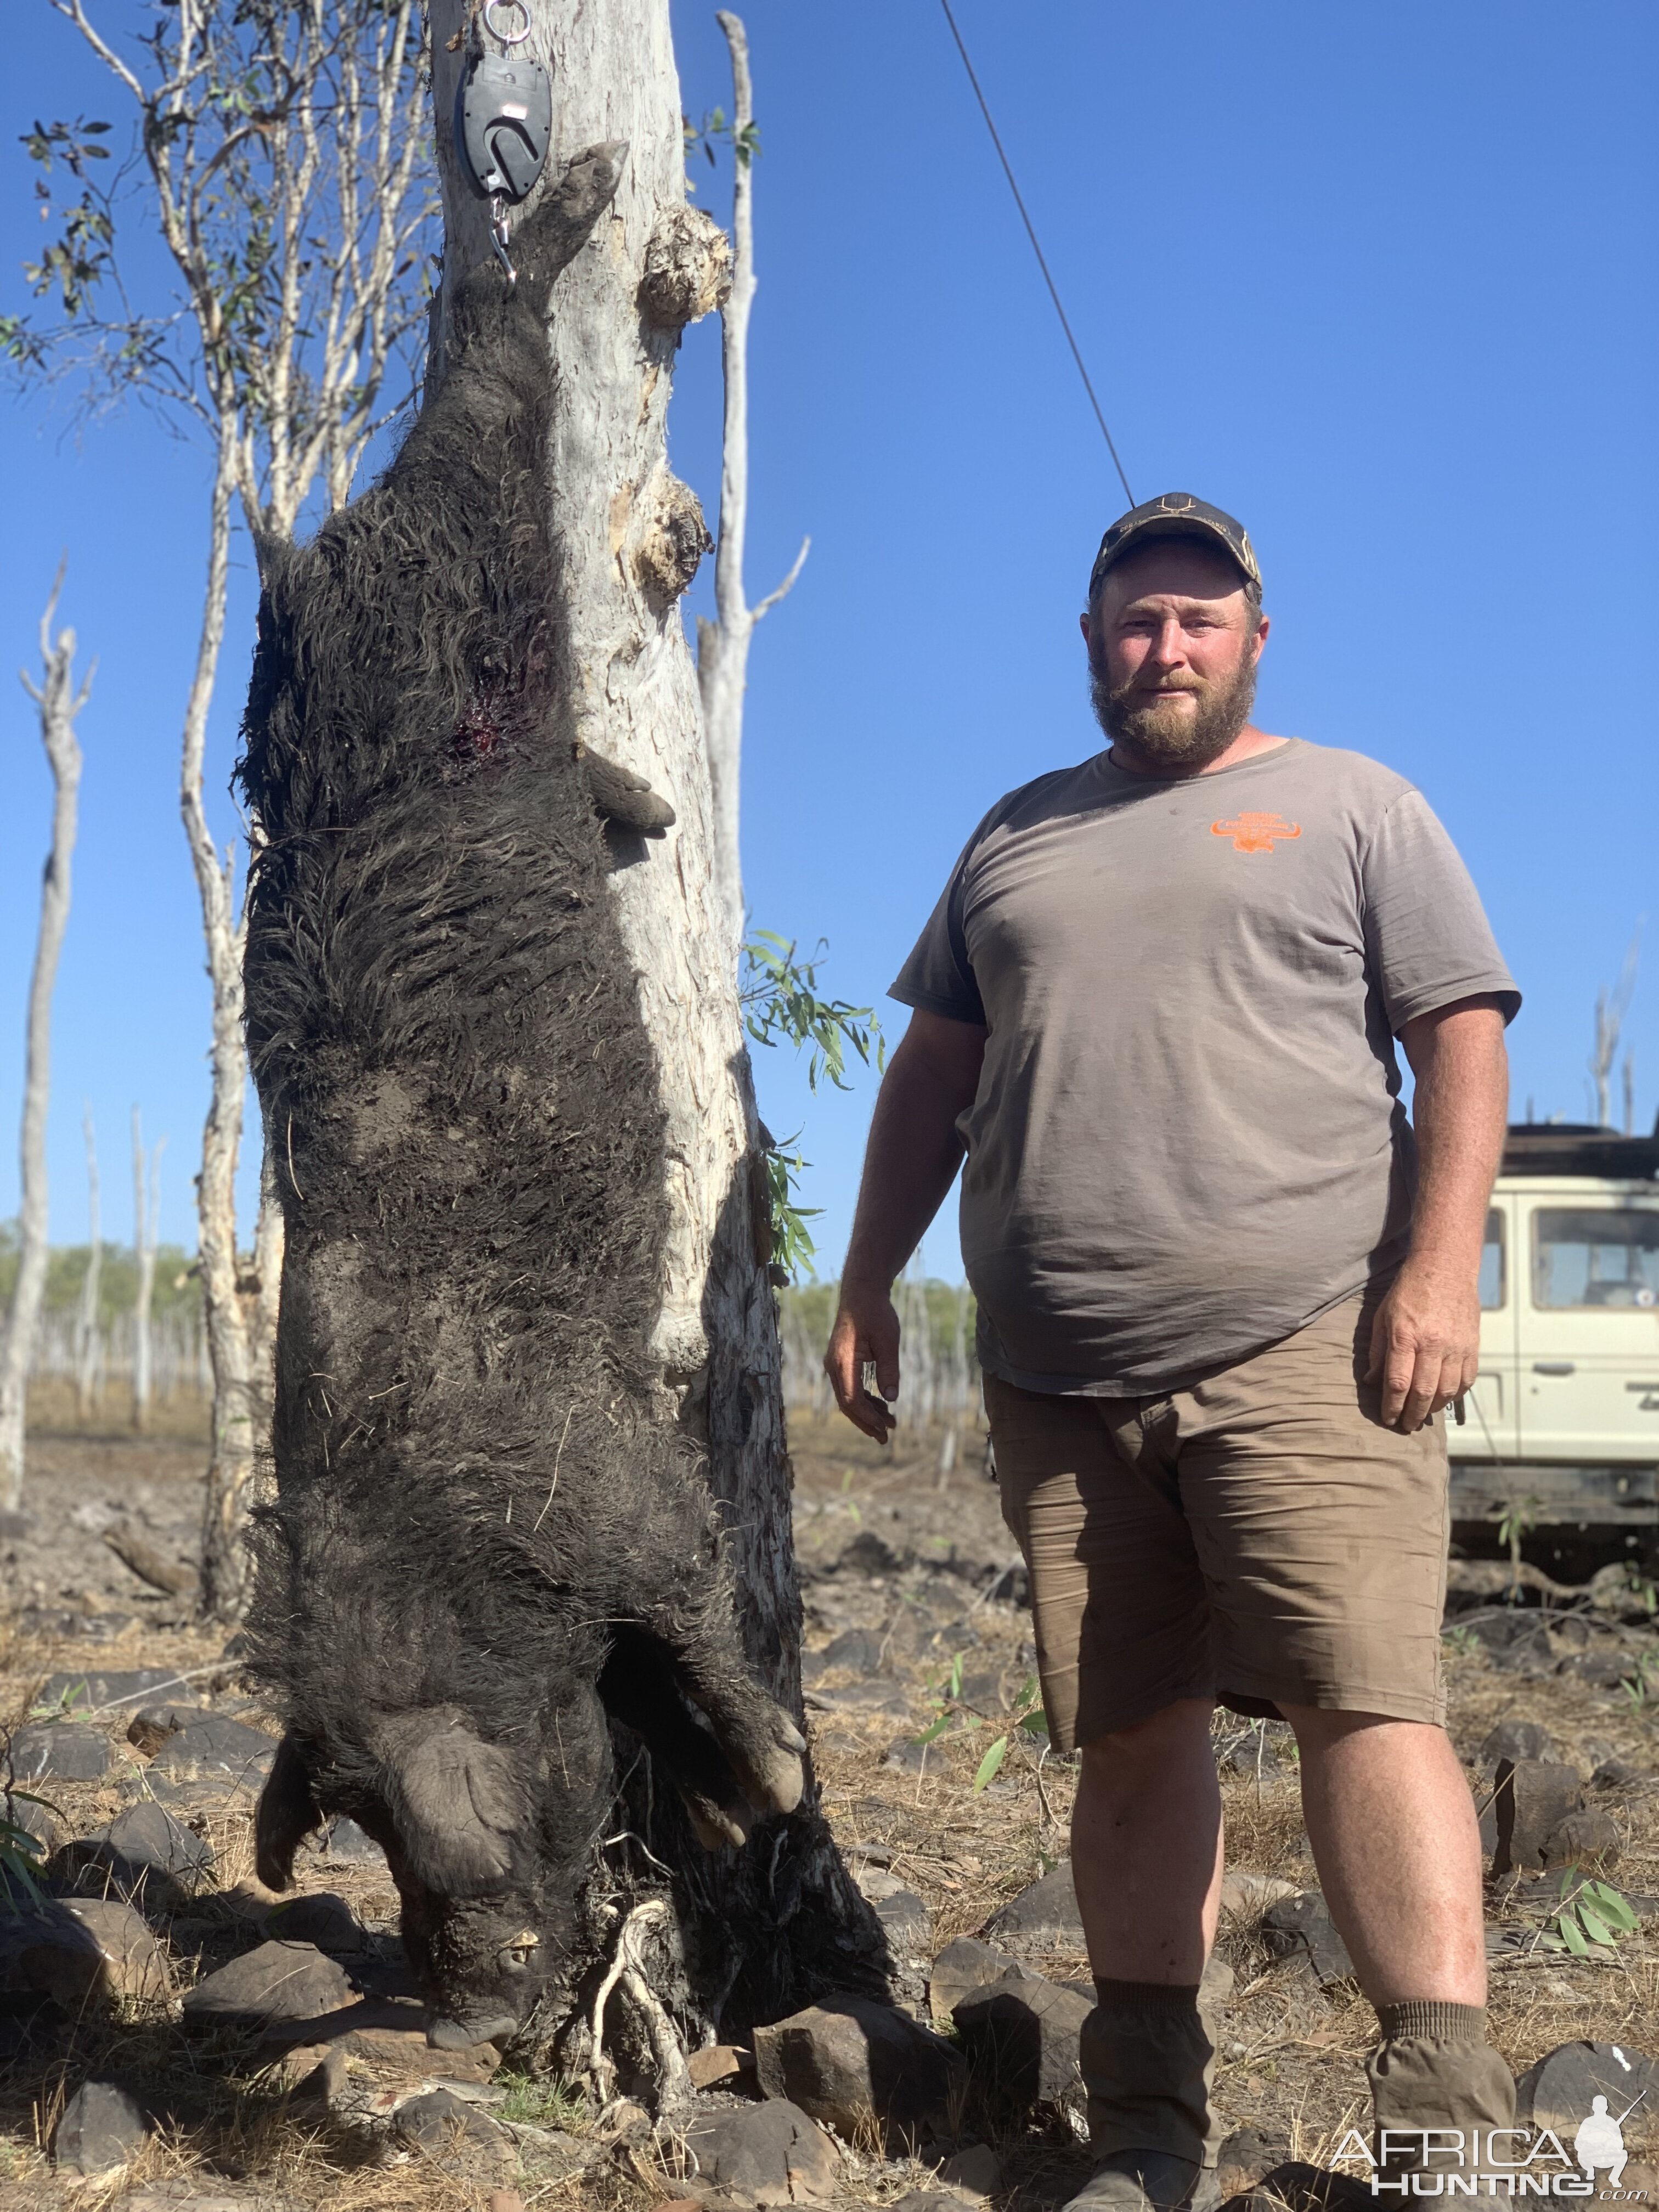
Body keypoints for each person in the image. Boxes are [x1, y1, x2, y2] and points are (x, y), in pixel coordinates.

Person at [824, 493, 1520, 2212]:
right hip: (1059, 1377)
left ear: (1256, 640)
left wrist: (1438, 1274)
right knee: (1131, 1733)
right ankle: (1145, 2134)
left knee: (1366, 1701)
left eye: (1201, 619)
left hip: (1310, 1345)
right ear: (1090, 643)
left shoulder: (1355, 805)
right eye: (1138, 619)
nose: (1168, 645)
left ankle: (1453, 2134)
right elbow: (930, 1082)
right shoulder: (1015, 837)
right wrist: (862, 1283)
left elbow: (1463, 1041)